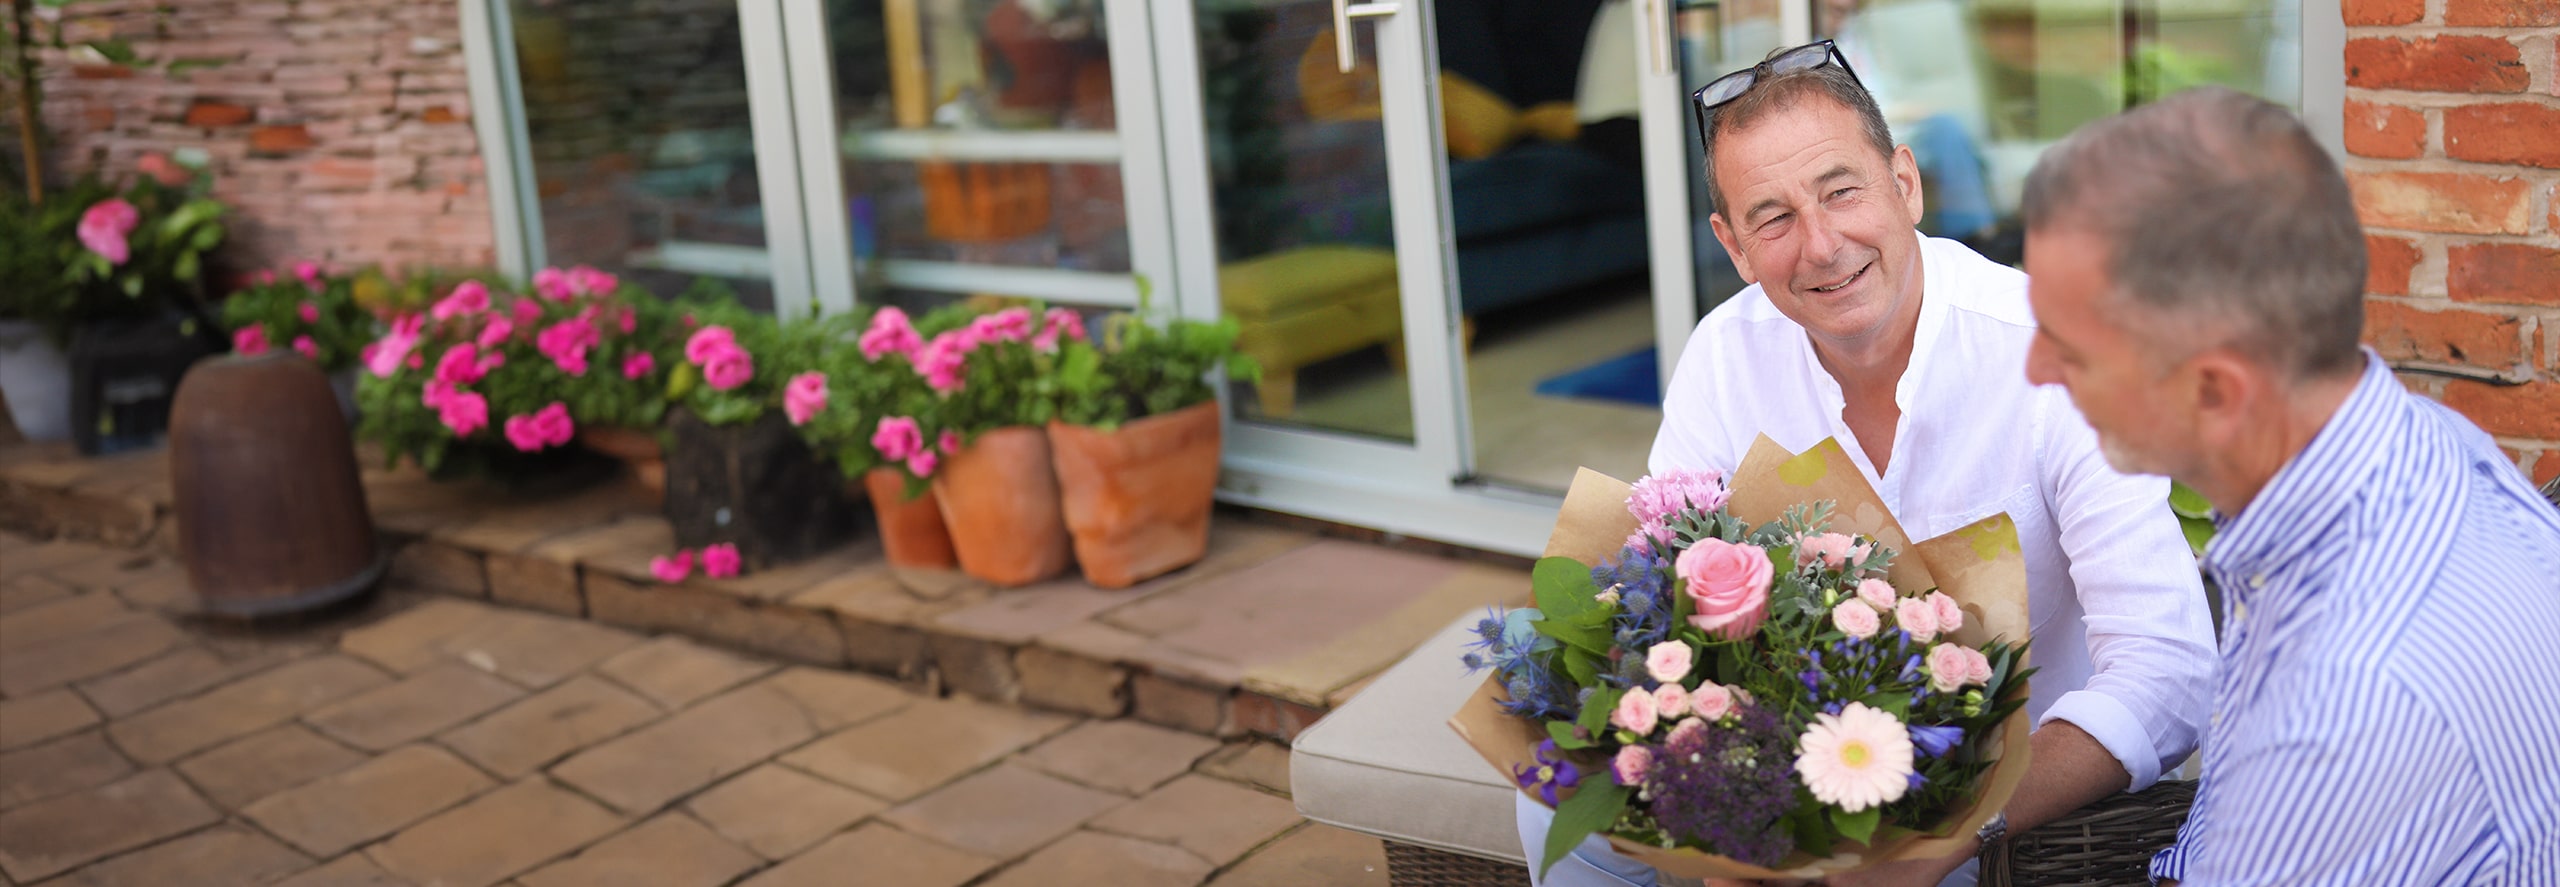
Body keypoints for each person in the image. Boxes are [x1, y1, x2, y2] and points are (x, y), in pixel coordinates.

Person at [1516, 41, 2217, 887]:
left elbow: (2169, 668)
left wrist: (1948, 832)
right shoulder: (1724, 356)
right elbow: (1664, 602)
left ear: (1905, 184)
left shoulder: (2061, 354)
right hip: (1792, 763)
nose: (1819, 245)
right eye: (1771, 217)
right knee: (1557, 788)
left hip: (1999, 788)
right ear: (1733, 245)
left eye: (1840, 190)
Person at [2018, 87, 2560, 885]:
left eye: (2071, 349)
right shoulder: (2412, 440)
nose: (2034, 369)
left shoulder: (2341, 707)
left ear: (2216, 391)